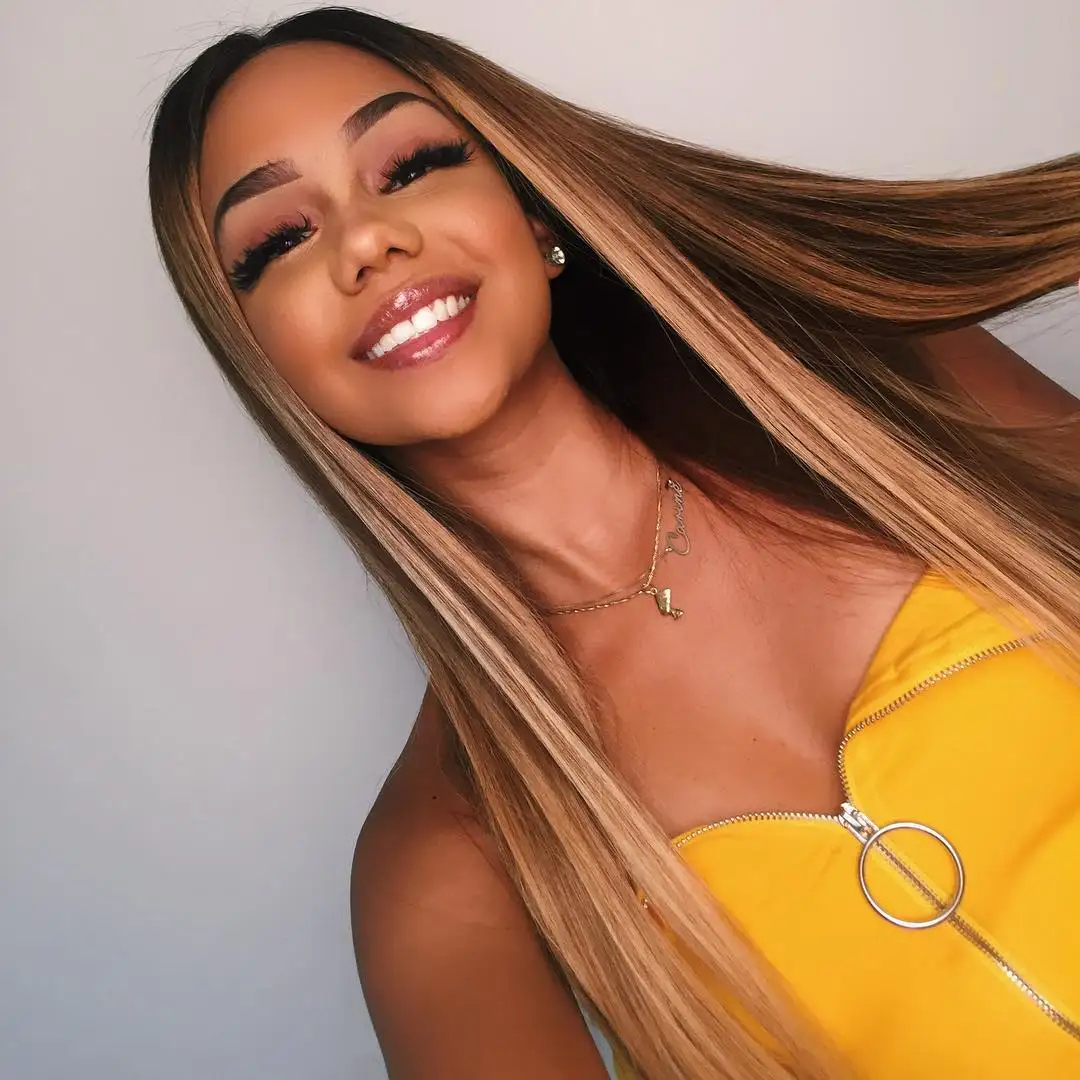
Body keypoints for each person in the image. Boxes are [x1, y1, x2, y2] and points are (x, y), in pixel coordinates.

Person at [146, 7, 1080, 1078]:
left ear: (532, 211)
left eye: (410, 168)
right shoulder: (446, 867)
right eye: (278, 241)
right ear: (264, 361)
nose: (367, 242)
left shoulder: (884, 400)